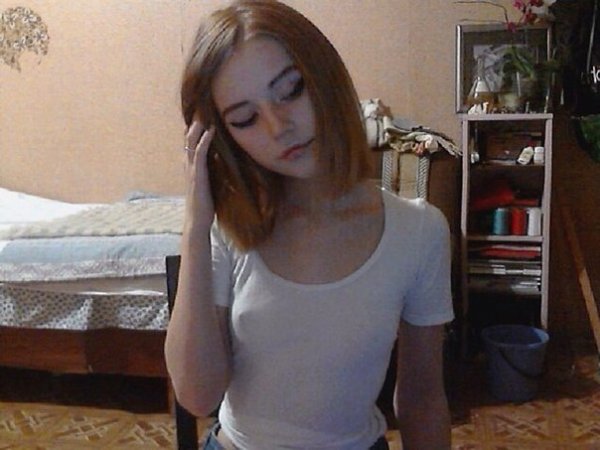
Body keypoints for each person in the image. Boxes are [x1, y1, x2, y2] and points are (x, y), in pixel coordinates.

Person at [164, 1, 455, 449]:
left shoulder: (418, 231)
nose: (278, 127)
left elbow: (422, 398)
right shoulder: (230, 230)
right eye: (245, 118)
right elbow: (197, 396)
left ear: (324, 75)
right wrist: (195, 226)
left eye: (291, 90)